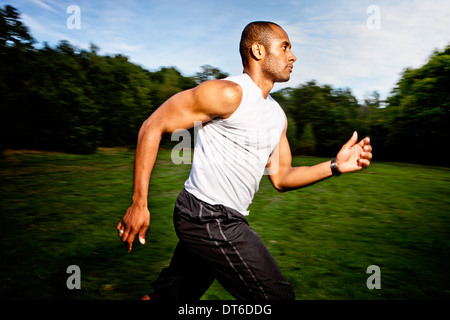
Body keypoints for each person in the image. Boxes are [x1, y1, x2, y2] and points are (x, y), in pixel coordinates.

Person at [116, 21, 373, 300]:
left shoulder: (277, 116)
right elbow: (152, 126)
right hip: (207, 214)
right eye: (285, 47)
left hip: (227, 218)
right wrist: (139, 203)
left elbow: (282, 177)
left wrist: (335, 165)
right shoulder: (228, 93)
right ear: (258, 51)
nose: (293, 56)